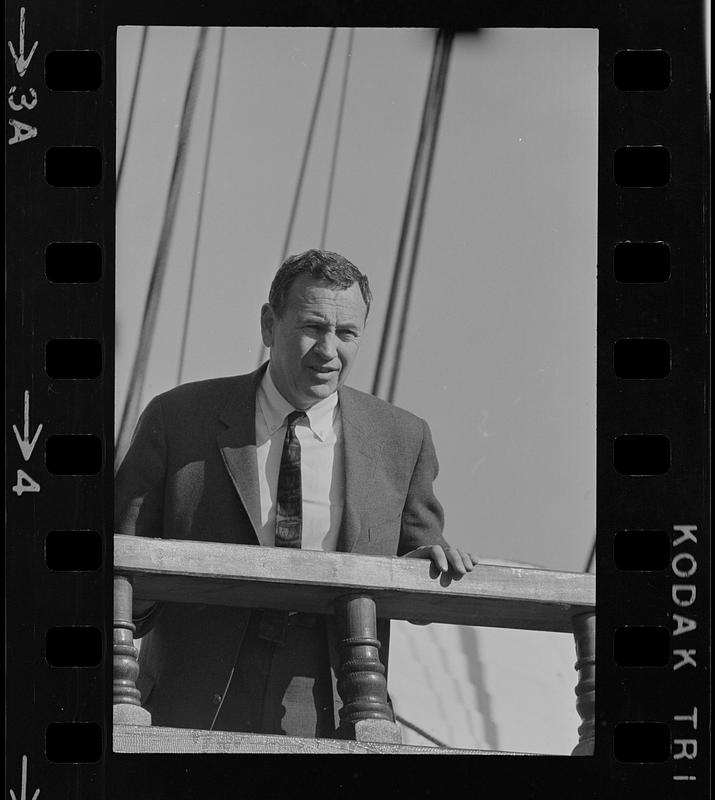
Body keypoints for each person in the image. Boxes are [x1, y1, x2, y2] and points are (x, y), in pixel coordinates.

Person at [115, 249, 476, 738]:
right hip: (191, 698)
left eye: (347, 333)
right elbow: (118, 570)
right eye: (312, 327)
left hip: (330, 702)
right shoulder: (178, 418)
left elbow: (416, 571)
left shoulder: (402, 439)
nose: (329, 350)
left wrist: (428, 566)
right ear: (269, 325)